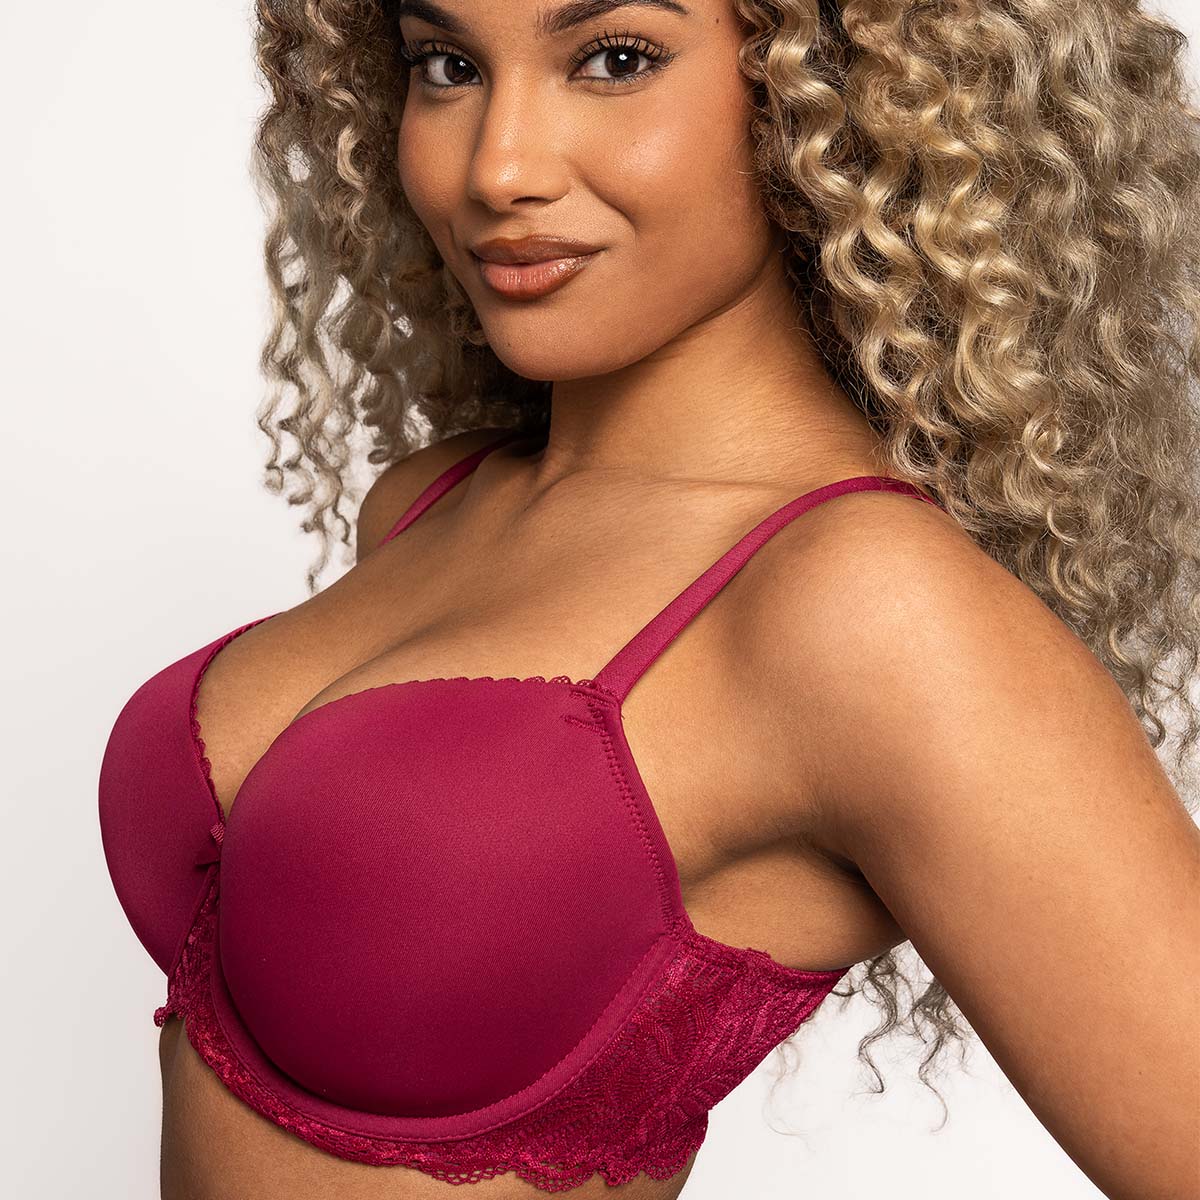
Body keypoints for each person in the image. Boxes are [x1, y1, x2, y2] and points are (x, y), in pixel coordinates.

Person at [98, 1, 1200, 1196]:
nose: (498, 168)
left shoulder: (867, 609)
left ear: (822, 96)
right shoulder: (428, 505)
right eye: (447, 65)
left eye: (614, 60)